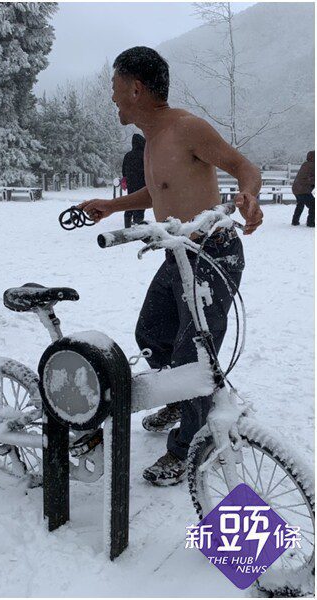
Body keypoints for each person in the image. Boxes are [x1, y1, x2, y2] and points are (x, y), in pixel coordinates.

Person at [77, 46, 263, 486]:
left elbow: (244, 166)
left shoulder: (185, 128)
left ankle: (189, 446)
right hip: (177, 252)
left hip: (213, 252)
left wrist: (249, 196)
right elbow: (157, 191)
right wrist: (112, 205)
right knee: (151, 333)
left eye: (115, 88)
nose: (112, 98)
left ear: (136, 88)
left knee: (192, 353)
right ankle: (181, 400)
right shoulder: (152, 138)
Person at [122, 133, 147, 227]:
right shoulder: (144, 155)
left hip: (131, 183)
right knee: (141, 203)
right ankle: (138, 222)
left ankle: (127, 223)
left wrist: (128, 179)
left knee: (130, 202)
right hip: (142, 183)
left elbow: (123, 170)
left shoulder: (128, 155)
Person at [291, 150, 314, 227]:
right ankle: (311, 222)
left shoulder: (305, 164)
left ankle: (295, 221)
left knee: (300, 204)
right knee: (314, 205)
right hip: (303, 190)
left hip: (296, 189)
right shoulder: (312, 165)